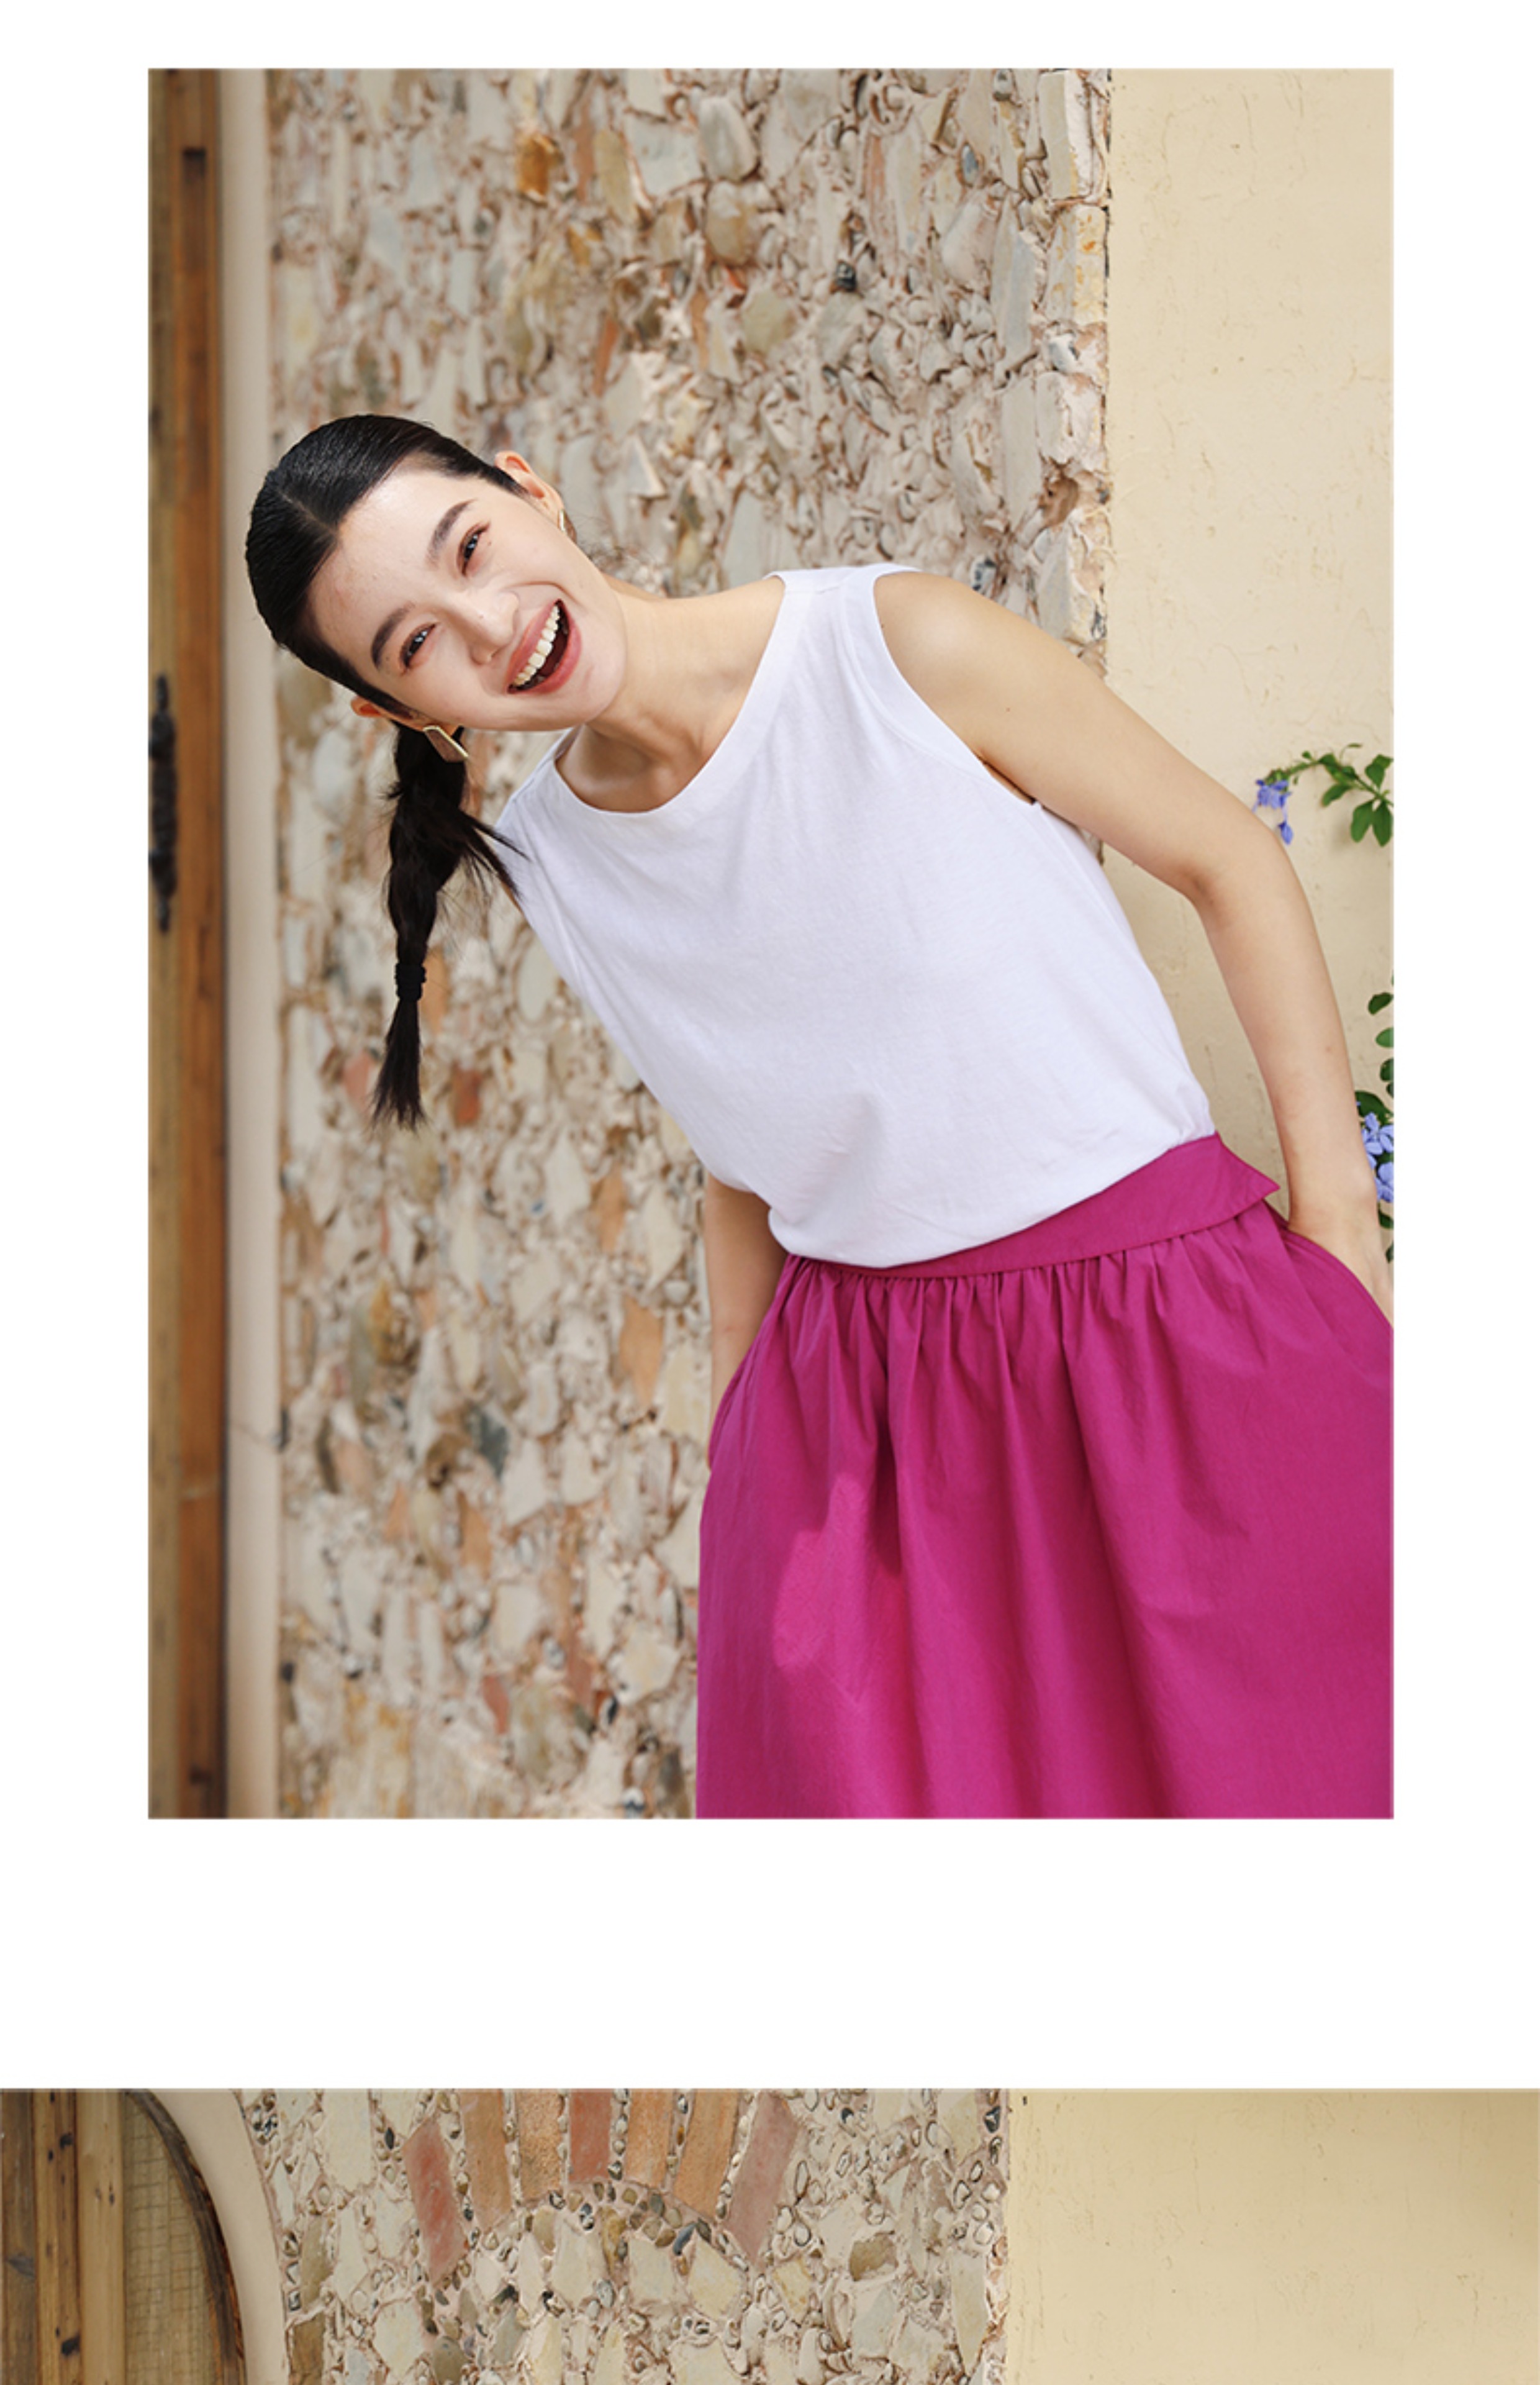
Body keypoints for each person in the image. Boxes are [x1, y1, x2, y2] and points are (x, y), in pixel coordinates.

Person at [246, 414, 1392, 1822]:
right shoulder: (551, 862)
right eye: (416, 641)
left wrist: (1340, 1234)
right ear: (395, 710)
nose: (490, 627)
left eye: (471, 547)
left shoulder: (895, 648)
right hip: (864, 1432)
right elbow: (743, 1143)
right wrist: (744, 1433)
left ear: (531, 490)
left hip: (1161, 1338)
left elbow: (1226, 861)